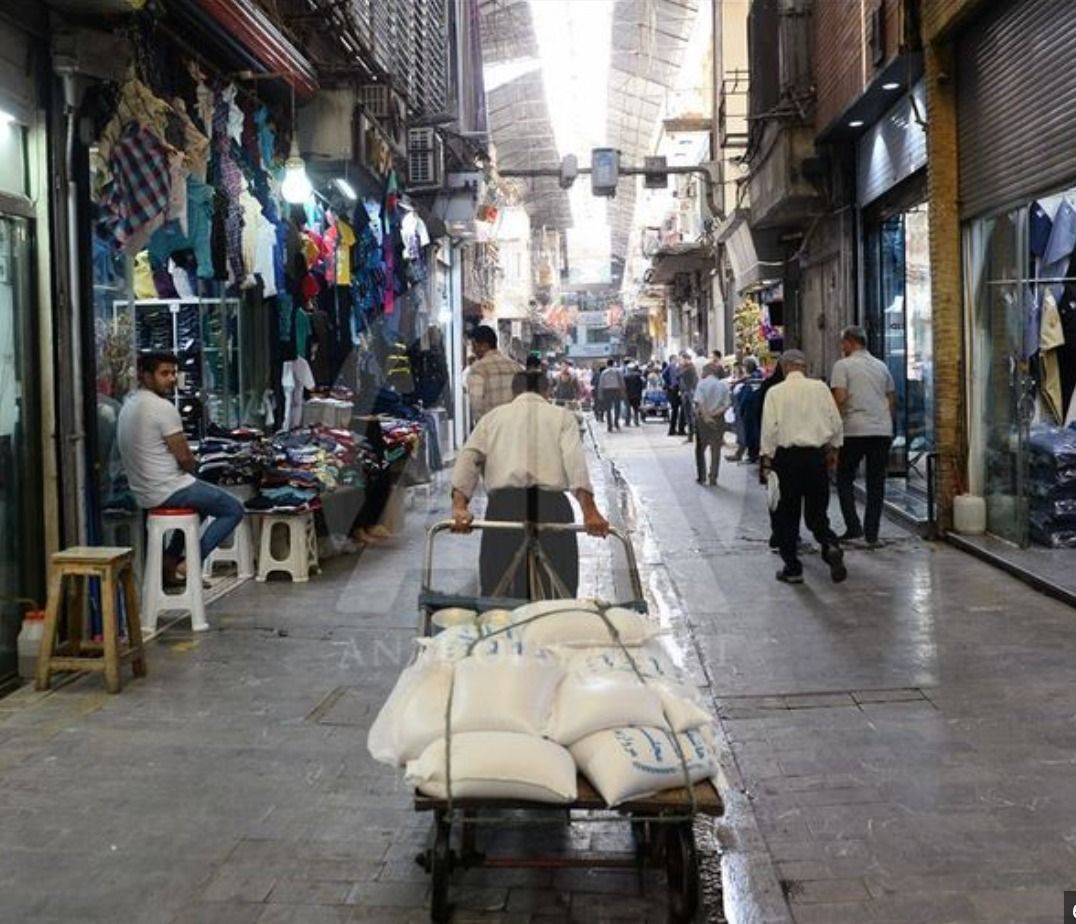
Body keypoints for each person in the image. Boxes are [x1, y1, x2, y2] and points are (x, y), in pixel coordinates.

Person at [451, 370, 610, 598]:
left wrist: (459, 507)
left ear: (513, 392)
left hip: (503, 508)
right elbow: (575, 464)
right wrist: (590, 512)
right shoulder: (562, 417)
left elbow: (469, 458)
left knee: (497, 587)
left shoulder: (493, 418)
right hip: (551, 508)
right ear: (547, 391)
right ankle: (551, 625)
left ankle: (499, 625)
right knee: (558, 587)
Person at [117, 351, 245, 585]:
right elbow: (185, 457)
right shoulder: (161, 407)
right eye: (164, 373)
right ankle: (191, 563)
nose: (171, 378)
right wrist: (192, 470)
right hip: (167, 488)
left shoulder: (130, 403)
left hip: (144, 491)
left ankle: (168, 564)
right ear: (146, 376)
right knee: (233, 509)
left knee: (202, 504)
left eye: (174, 373)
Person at [759, 350, 847, 585]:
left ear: (785, 367)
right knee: (818, 514)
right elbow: (835, 423)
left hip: (787, 460)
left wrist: (766, 460)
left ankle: (793, 568)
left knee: (786, 516)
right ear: (804, 367)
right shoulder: (820, 388)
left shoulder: (775, 392)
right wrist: (834, 451)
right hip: (816, 458)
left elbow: (769, 430)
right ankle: (829, 545)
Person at [830, 325, 896, 545]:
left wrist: (832, 430)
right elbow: (891, 398)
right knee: (876, 482)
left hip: (855, 430)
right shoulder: (881, 366)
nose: (841, 347)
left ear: (849, 342)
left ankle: (853, 527)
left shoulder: (843, 366)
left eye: (843, 343)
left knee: (844, 477)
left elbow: (840, 398)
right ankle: (872, 534)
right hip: (882, 430)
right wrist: (886, 423)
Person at [466, 325, 522, 423]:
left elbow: (476, 404)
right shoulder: (516, 367)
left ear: (484, 345)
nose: (473, 351)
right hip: (515, 427)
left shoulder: (478, 369)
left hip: (492, 429)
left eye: (474, 346)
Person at [693, 363, 731, 485]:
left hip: (703, 421)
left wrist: (706, 416)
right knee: (716, 450)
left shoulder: (701, 384)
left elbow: (700, 403)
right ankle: (713, 477)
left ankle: (702, 476)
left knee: (700, 449)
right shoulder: (723, 385)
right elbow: (726, 405)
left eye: (703, 371)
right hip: (719, 420)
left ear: (707, 371)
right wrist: (714, 414)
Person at [598, 358, 626, 432]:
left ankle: (609, 425)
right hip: (616, 390)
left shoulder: (603, 373)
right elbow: (622, 382)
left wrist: (600, 394)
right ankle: (616, 422)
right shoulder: (618, 371)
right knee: (617, 407)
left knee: (608, 409)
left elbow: (601, 384)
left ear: (607, 364)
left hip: (607, 391)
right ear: (613, 363)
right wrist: (623, 391)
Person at [679, 353, 699, 441]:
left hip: (690, 392)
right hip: (685, 392)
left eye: (682, 359)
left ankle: (694, 433)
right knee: (688, 414)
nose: (681, 361)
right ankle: (690, 434)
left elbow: (680, 374)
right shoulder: (685, 368)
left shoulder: (690, 368)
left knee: (692, 413)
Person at [662, 354, 682, 436]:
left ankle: (673, 429)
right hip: (675, 389)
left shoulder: (670, 367)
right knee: (676, 410)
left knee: (675, 410)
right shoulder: (673, 366)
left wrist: (668, 383)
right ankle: (675, 429)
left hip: (673, 389)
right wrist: (670, 384)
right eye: (676, 358)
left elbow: (663, 374)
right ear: (673, 359)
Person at [624, 362, 644, 426]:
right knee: (636, 409)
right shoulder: (638, 375)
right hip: (636, 395)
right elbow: (642, 384)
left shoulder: (625, 376)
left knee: (628, 409)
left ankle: (627, 422)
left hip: (628, 395)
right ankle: (636, 421)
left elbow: (624, 386)